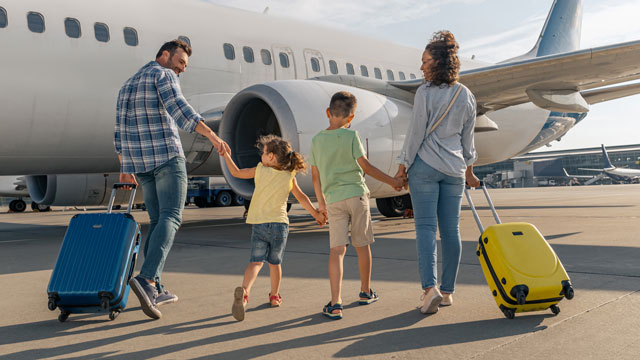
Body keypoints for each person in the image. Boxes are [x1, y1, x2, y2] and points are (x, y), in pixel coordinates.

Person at [114, 39, 227, 320]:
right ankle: (148, 279)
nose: (182, 69)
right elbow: (179, 108)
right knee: (172, 217)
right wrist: (211, 134)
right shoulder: (162, 74)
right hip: (166, 158)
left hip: (141, 165)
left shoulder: (127, 85)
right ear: (164, 55)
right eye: (180, 62)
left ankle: (156, 285)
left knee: (158, 221)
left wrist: (125, 167)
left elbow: (119, 131)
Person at [394, 31, 480, 315]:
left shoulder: (425, 93)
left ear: (438, 63)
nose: (421, 67)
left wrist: (402, 165)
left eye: (425, 61)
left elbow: (416, 133)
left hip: (426, 169)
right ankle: (448, 291)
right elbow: (469, 140)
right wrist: (469, 171)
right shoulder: (466, 95)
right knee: (451, 231)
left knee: (426, 229)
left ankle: (429, 289)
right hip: (454, 170)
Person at [309, 91, 405, 320]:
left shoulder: (317, 140)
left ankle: (335, 303)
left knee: (337, 251)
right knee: (362, 245)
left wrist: (320, 205)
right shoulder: (352, 136)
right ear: (350, 118)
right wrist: (393, 182)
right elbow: (367, 167)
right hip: (356, 196)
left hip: (333, 200)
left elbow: (316, 176)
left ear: (328, 113)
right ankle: (365, 291)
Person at [222, 135, 327, 322]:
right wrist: (316, 214)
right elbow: (301, 197)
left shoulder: (260, 170)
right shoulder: (289, 175)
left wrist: (226, 155)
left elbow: (236, 172)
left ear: (271, 157)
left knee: (255, 262)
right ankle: (274, 296)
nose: (261, 156)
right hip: (279, 225)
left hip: (259, 224)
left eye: (263, 153)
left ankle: (245, 293)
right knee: (275, 264)